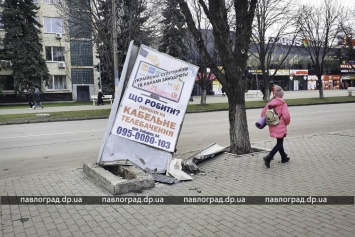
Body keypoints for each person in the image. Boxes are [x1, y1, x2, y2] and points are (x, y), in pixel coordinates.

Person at [261, 85, 291, 168]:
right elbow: (286, 116)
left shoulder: (270, 103)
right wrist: (287, 123)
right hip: (280, 125)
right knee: (280, 143)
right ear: (281, 95)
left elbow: (263, 114)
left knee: (279, 141)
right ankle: (269, 157)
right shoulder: (283, 104)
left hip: (273, 124)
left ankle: (284, 157)